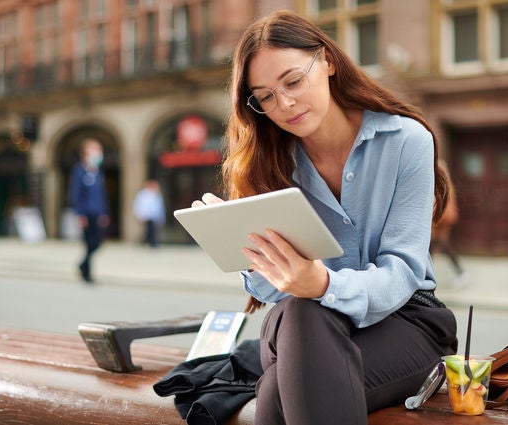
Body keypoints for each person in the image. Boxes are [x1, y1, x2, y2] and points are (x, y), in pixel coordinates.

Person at [189, 11, 458, 425]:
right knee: (301, 312)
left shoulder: (406, 141)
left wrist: (324, 284)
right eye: (265, 97)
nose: (285, 104)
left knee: (281, 389)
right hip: (299, 327)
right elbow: (272, 291)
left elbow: (403, 271)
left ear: (328, 60)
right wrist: (245, 248)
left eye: (293, 81)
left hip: (405, 322)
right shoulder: (266, 162)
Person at [68, 139, 110, 283]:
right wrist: (80, 215)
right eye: (95, 150)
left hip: (98, 214)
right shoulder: (79, 171)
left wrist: (104, 213)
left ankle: (82, 264)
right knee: (89, 243)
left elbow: (101, 195)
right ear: (85, 153)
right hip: (86, 214)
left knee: (97, 243)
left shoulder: (98, 172)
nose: (99, 153)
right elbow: (76, 194)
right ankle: (87, 273)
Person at [429, 159, 466, 287]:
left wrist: (435, 219)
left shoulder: (443, 183)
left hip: (441, 218)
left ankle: (460, 273)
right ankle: (425, 274)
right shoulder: (446, 183)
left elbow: (442, 203)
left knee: (440, 244)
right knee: (434, 246)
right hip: (442, 218)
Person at [132, 179, 166, 248]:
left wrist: (162, 217)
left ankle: (152, 243)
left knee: (154, 231)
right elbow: (138, 206)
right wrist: (141, 215)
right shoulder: (143, 194)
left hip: (155, 217)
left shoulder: (157, 195)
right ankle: (147, 243)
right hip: (147, 216)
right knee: (148, 231)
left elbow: (160, 207)